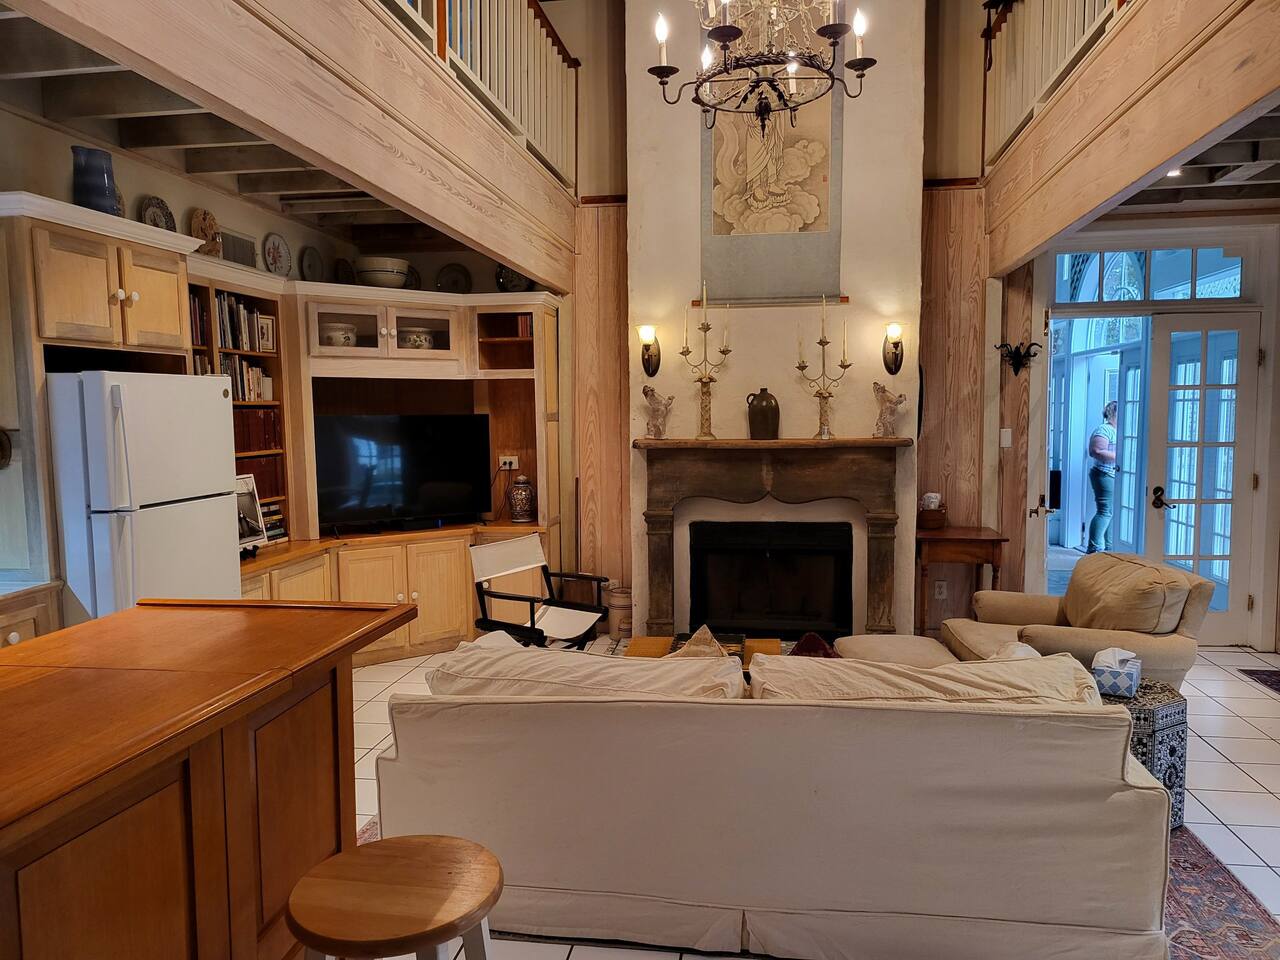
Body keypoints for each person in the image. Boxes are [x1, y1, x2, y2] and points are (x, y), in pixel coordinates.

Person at [1087, 400, 1119, 553]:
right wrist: (1121, 456)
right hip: (1104, 474)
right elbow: (1096, 451)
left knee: (1110, 512)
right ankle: (1094, 549)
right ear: (1114, 413)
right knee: (1105, 511)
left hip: (1112, 474)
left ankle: (1109, 548)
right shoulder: (1104, 429)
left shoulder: (1118, 430)